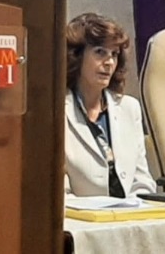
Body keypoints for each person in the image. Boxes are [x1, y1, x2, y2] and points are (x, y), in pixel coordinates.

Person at [63, 13, 156, 197]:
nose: (109, 62)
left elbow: (142, 181)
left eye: (114, 54)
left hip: (131, 211)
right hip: (80, 214)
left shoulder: (129, 108)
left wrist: (138, 209)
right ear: (76, 56)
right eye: (100, 52)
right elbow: (60, 195)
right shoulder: (57, 110)